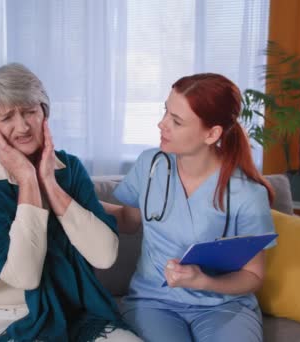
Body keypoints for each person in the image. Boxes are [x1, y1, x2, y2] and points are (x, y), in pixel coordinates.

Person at [0, 63, 140, 342]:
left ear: (44, 113)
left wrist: (49, 183)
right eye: (7, 118)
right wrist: (28, 181)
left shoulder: (70, 168)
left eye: (30, 111)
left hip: (71, 311)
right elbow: (25, 277)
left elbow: (104, 255)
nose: (23, 126)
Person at [101, 73, 276, 342]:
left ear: (212, 133)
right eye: (165, 112)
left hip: (224, 306)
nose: (161, 124)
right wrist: (71, 200)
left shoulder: (247, 193)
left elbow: (253, 275)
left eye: (176, 121)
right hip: (154, 302)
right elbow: (128, 220)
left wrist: (203, 282)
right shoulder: (151, 165)